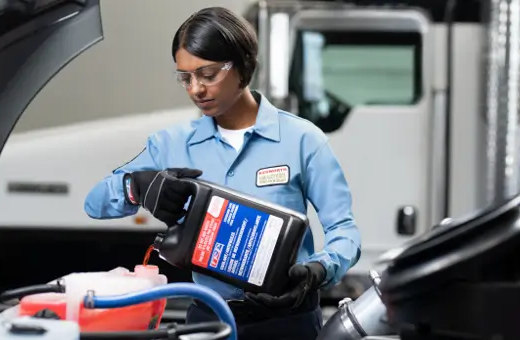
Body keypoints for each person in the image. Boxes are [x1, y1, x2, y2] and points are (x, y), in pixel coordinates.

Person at [84, 6, 361, 340]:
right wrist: (139, 187)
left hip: (288, 322)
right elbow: (94, 203)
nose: (196, 89)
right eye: (185, 77)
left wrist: (317, 271)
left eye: (208, 74)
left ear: (242, 67)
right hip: (209, 319)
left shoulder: (302, 140)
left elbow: (344, 231)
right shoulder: (171, 144)